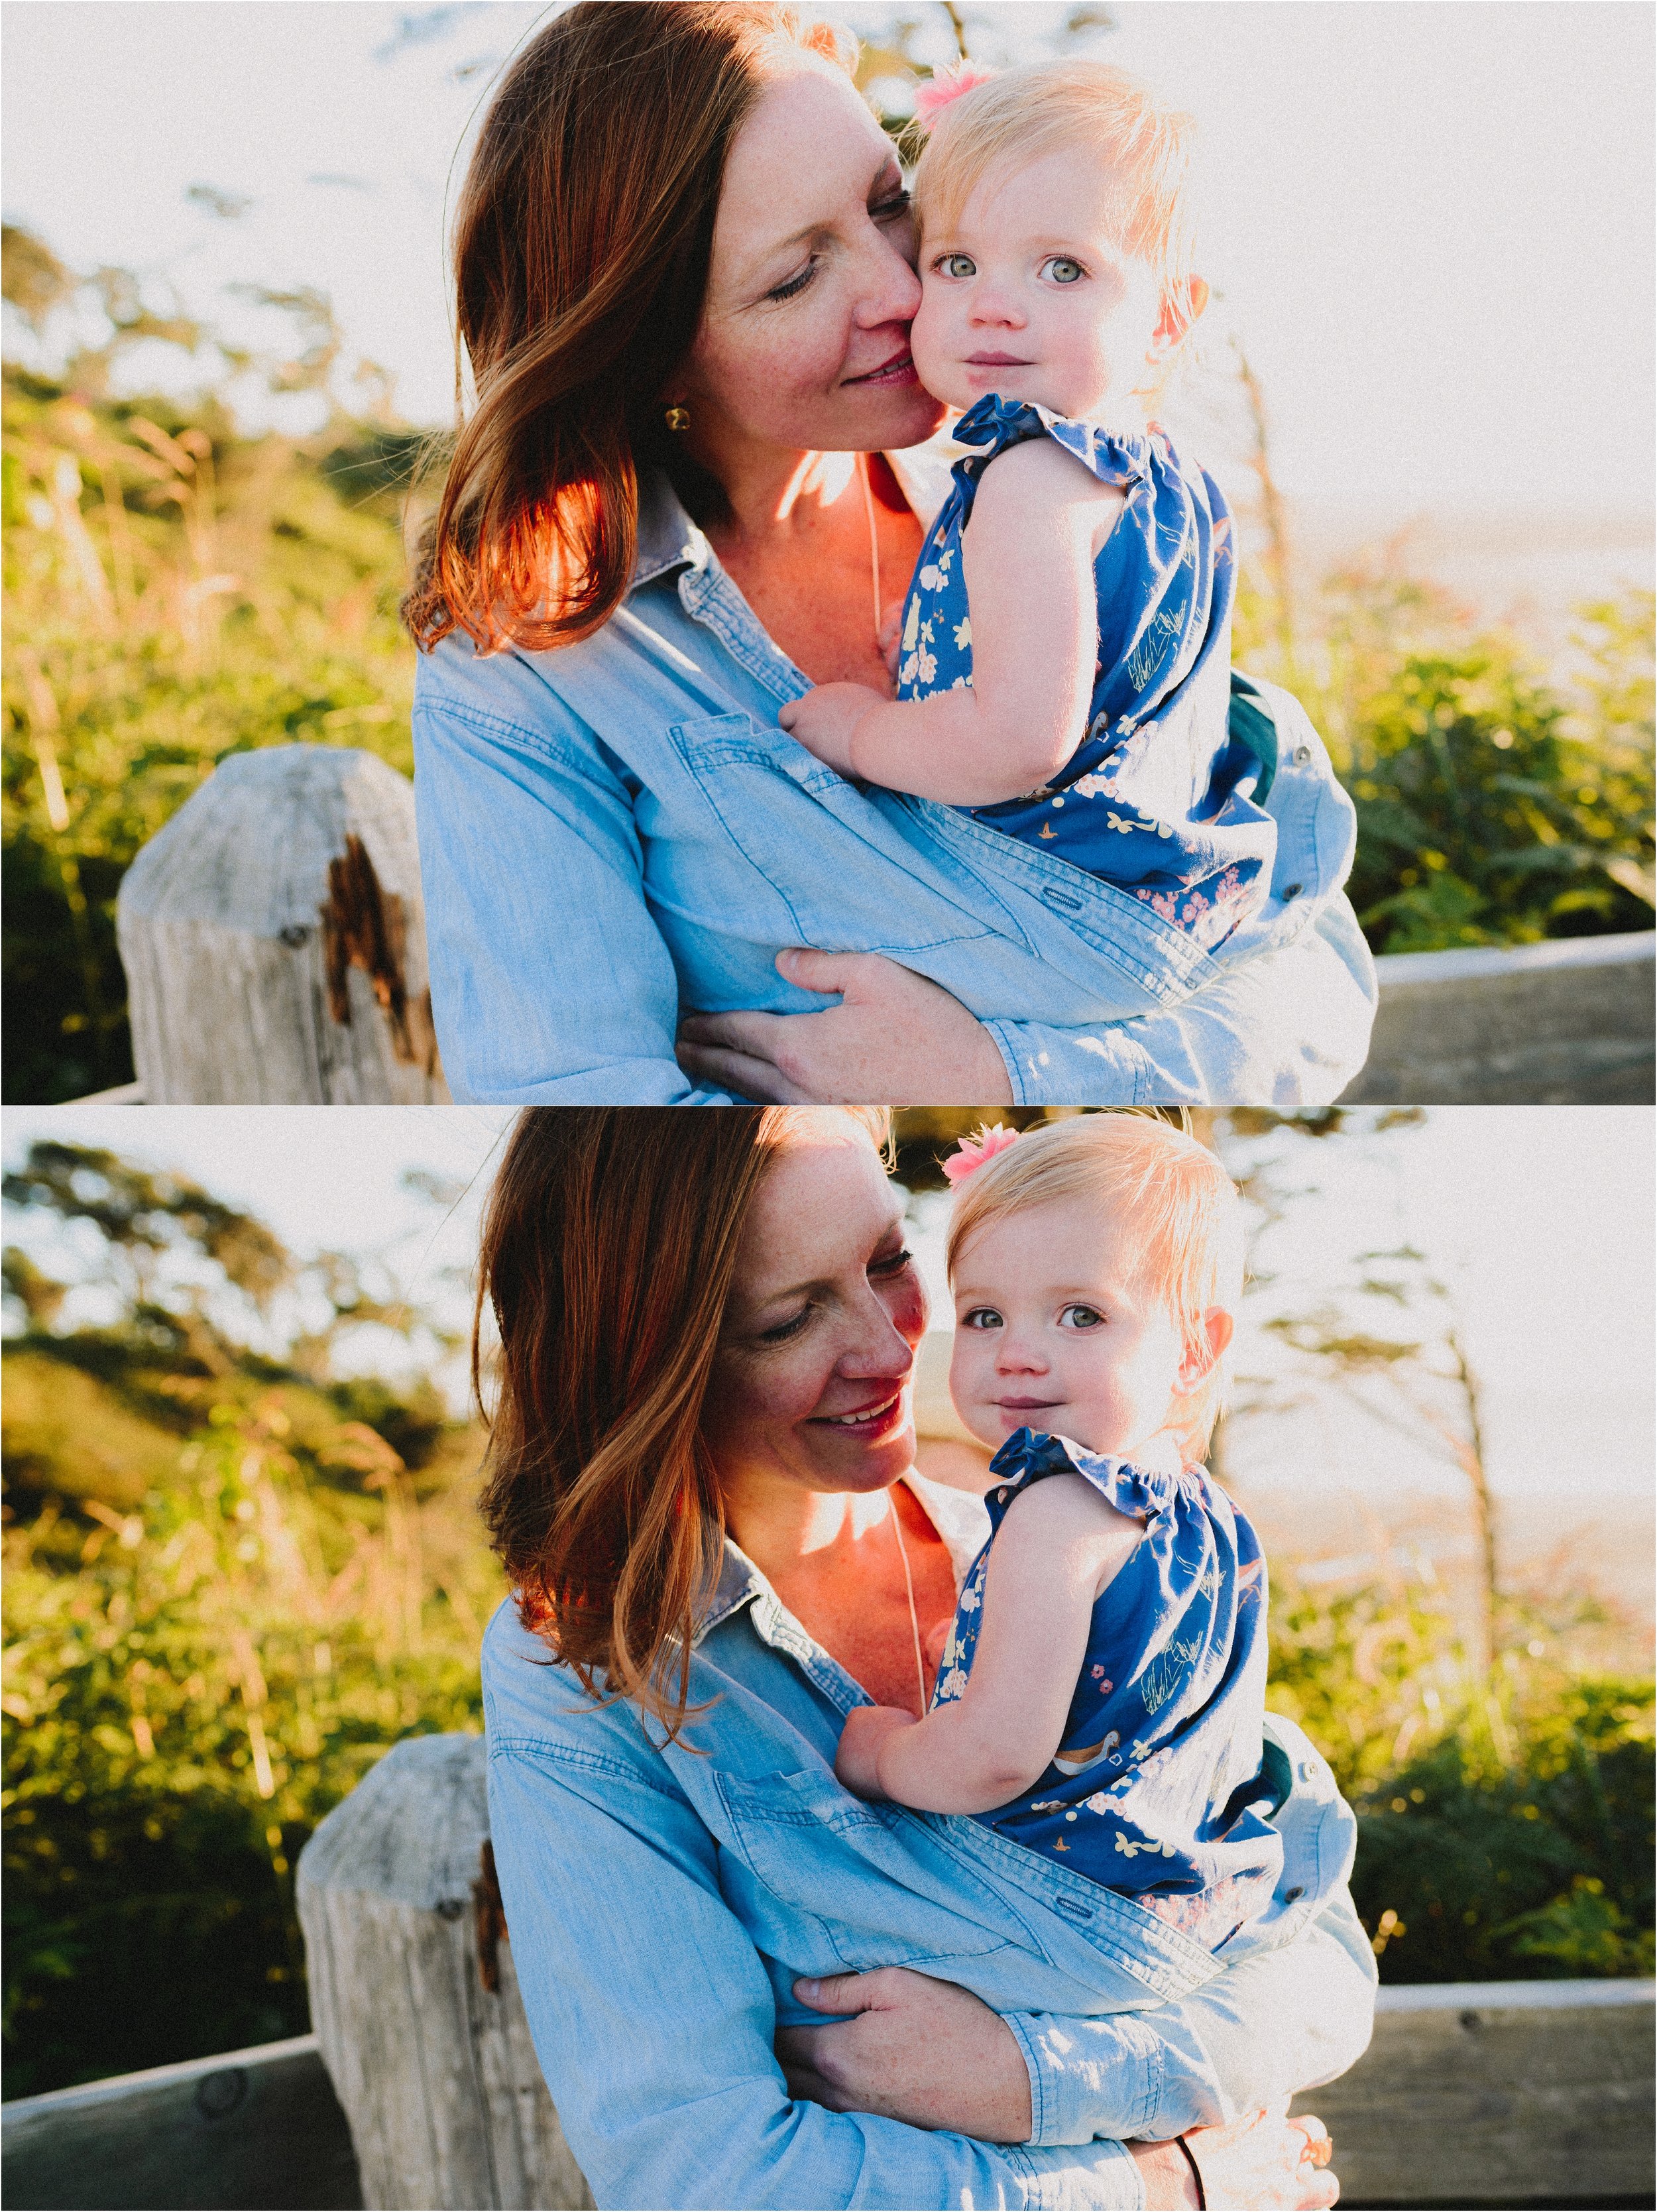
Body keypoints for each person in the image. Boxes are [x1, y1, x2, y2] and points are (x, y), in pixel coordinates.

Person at [406, 1, 1377, 1106]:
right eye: (794, 277)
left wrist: (998, 1070)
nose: (914, 292)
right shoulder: (537, 661)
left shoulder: (1054, 482)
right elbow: (578, 1100)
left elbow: (1308, 978)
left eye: (890, 205)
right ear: (651, 353)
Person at [479, 1104, 1371, 2208]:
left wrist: (1029, 2080)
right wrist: (1152, 2190)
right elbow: (699, 2173)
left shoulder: (1055, 1542)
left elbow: (1320, 1969)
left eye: (892, 1261)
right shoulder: (591, 1664)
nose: (889, 1341)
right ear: (653, 1361)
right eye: (789, 1319)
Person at [784, 62, 1274, 962]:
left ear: (1169, 317)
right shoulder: (1164, 478)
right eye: (958, 263)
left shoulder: (1031, 478)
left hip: (1057, 901)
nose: (996, 308)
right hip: (1166, 893)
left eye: (1063, 268)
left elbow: (1017, 742)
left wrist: (863, 729)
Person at [836, 1118, 1289, 2001]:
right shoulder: (1210, 1517)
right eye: (984, 1314)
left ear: (1194, 1348)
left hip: (1061, 1909)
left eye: (1080, 1313)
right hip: (1191, 1907)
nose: (1017, 1352)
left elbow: (997, 1755)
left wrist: (885, 1752)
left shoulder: (1053, 1507)